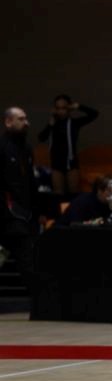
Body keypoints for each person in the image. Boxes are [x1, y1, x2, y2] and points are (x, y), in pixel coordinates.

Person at [0, 107, 37, 293]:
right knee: (24, 255)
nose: (26, 122)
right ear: (8, 122)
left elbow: (30, 181)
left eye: (26, 118)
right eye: (21, 119)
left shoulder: (26, 148)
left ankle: (39, 300)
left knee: (26, 257)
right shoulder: (1, 147)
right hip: (7, 211)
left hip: (22, 212)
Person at [37, 95, 99, 196]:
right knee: (58, 195)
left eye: (64, 108)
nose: (61, 111)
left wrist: (78, 106)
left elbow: (94, 114)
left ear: (69, 108)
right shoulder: (53, 123)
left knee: (73, 194)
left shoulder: (74, 123)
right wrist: (49, 125)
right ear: (54, 109)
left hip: (71, 163)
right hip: (56, 163)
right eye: (58, 108)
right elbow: (41, 138)